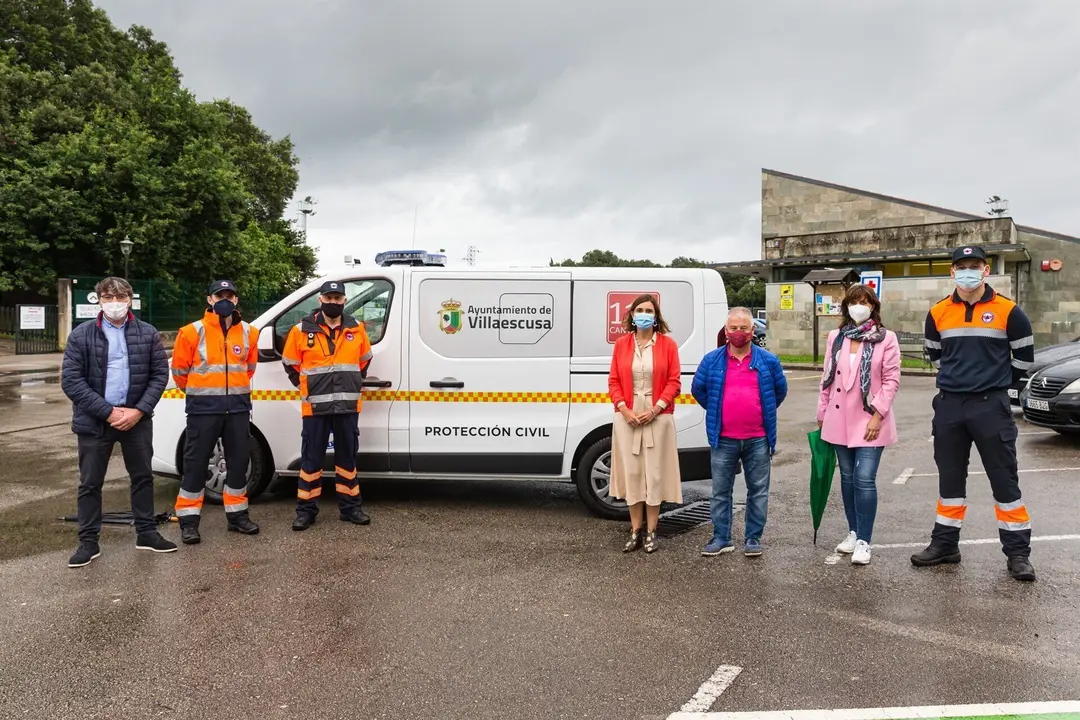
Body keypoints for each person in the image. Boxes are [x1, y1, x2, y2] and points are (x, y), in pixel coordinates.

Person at [913, 245, 1037, 582]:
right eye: (961, 266)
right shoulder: (938, 312)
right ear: (952, 272)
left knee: (1004, 479)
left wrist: (992, 384)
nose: (968, 271)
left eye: (975, 265)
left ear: (985, 270)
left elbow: (1024, 359)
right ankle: (945, 544)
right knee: (950, 478)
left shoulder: (1009, 311)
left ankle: (1018, 553)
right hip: (950, 405)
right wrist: (963, 382)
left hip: (990, 405)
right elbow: (936, 356)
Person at [61, 277, 176, 567]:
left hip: (136, 418)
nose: (115, 303)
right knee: (90, 482)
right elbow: (72, 381)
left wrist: (137, 411)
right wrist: (108, 412)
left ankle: (147, 533)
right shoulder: (81, 335)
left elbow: (159, 375)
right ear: (99, 299)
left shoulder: (147, 334)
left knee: (142, 477)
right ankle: (88, 542)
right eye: (108, 297)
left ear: (130, 299)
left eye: (120, 297)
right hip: (95, 421)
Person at [170, 280, 261, 544]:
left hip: (238, 409)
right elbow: (179, 373)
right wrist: (205, 392)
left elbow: (249, 368)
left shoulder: (249, 333)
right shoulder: (190, 332)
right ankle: (188, 522)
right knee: (196, 464)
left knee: (238, 463)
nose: (225, 299)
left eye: (230, 295)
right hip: (203, 410)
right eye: (219, 295)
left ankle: (238, 517)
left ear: (236, 300)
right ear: (209, 299)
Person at [816, 284, 901, 566]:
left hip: (869, 419)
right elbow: (827, 376)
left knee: (865, 478)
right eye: (854, 301)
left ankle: (864, 540)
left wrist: (878, 414)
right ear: (846, 306)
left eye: (865, 301)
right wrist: (822, 411)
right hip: (838, 417)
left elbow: (891, 380)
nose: (859, 306)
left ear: (873, 306)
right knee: (848, 478)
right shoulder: (836, 337)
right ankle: (852, 531)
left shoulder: (886, 338)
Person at [693, 307, 787, 558]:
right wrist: (718, 409)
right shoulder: (712, 360)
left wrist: (757, 410)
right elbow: (699, 390)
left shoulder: (768, 361)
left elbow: (778, 393)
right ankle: (721, 537)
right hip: (723, 438)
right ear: (726, 331)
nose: (738, 332)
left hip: (758, 438)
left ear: (752, 330)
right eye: (733, 328)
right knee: (721, 491)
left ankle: (753, 537)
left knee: (758, 490)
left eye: (743, 328)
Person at [282, 281, 374, 530]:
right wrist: (308, 387)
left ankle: (351, 508)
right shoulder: (300, 330)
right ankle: (305, 512)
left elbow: (364, 361)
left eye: (337, 298)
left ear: (344, 301)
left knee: (347, 460)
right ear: (320, 300)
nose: (333, 303)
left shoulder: (357, 328)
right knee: (311, 462)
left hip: (347, 407)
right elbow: (290, 363)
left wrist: (352, 382)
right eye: (328, 298)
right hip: (315, 409)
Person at [608, 294, 682, 554]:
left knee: (654, 474)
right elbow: (614, 381)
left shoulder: (668, 345)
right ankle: (635, 530)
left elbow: (674, 382)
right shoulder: (621, 345)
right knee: (633, 474)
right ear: (631, 315)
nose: (644, 314)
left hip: (658, 417)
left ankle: (652, 531)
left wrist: (655, 409)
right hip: (627, 417)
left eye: (649, 310)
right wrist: (624, 410)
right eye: (639, 309)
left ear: (656, 315)